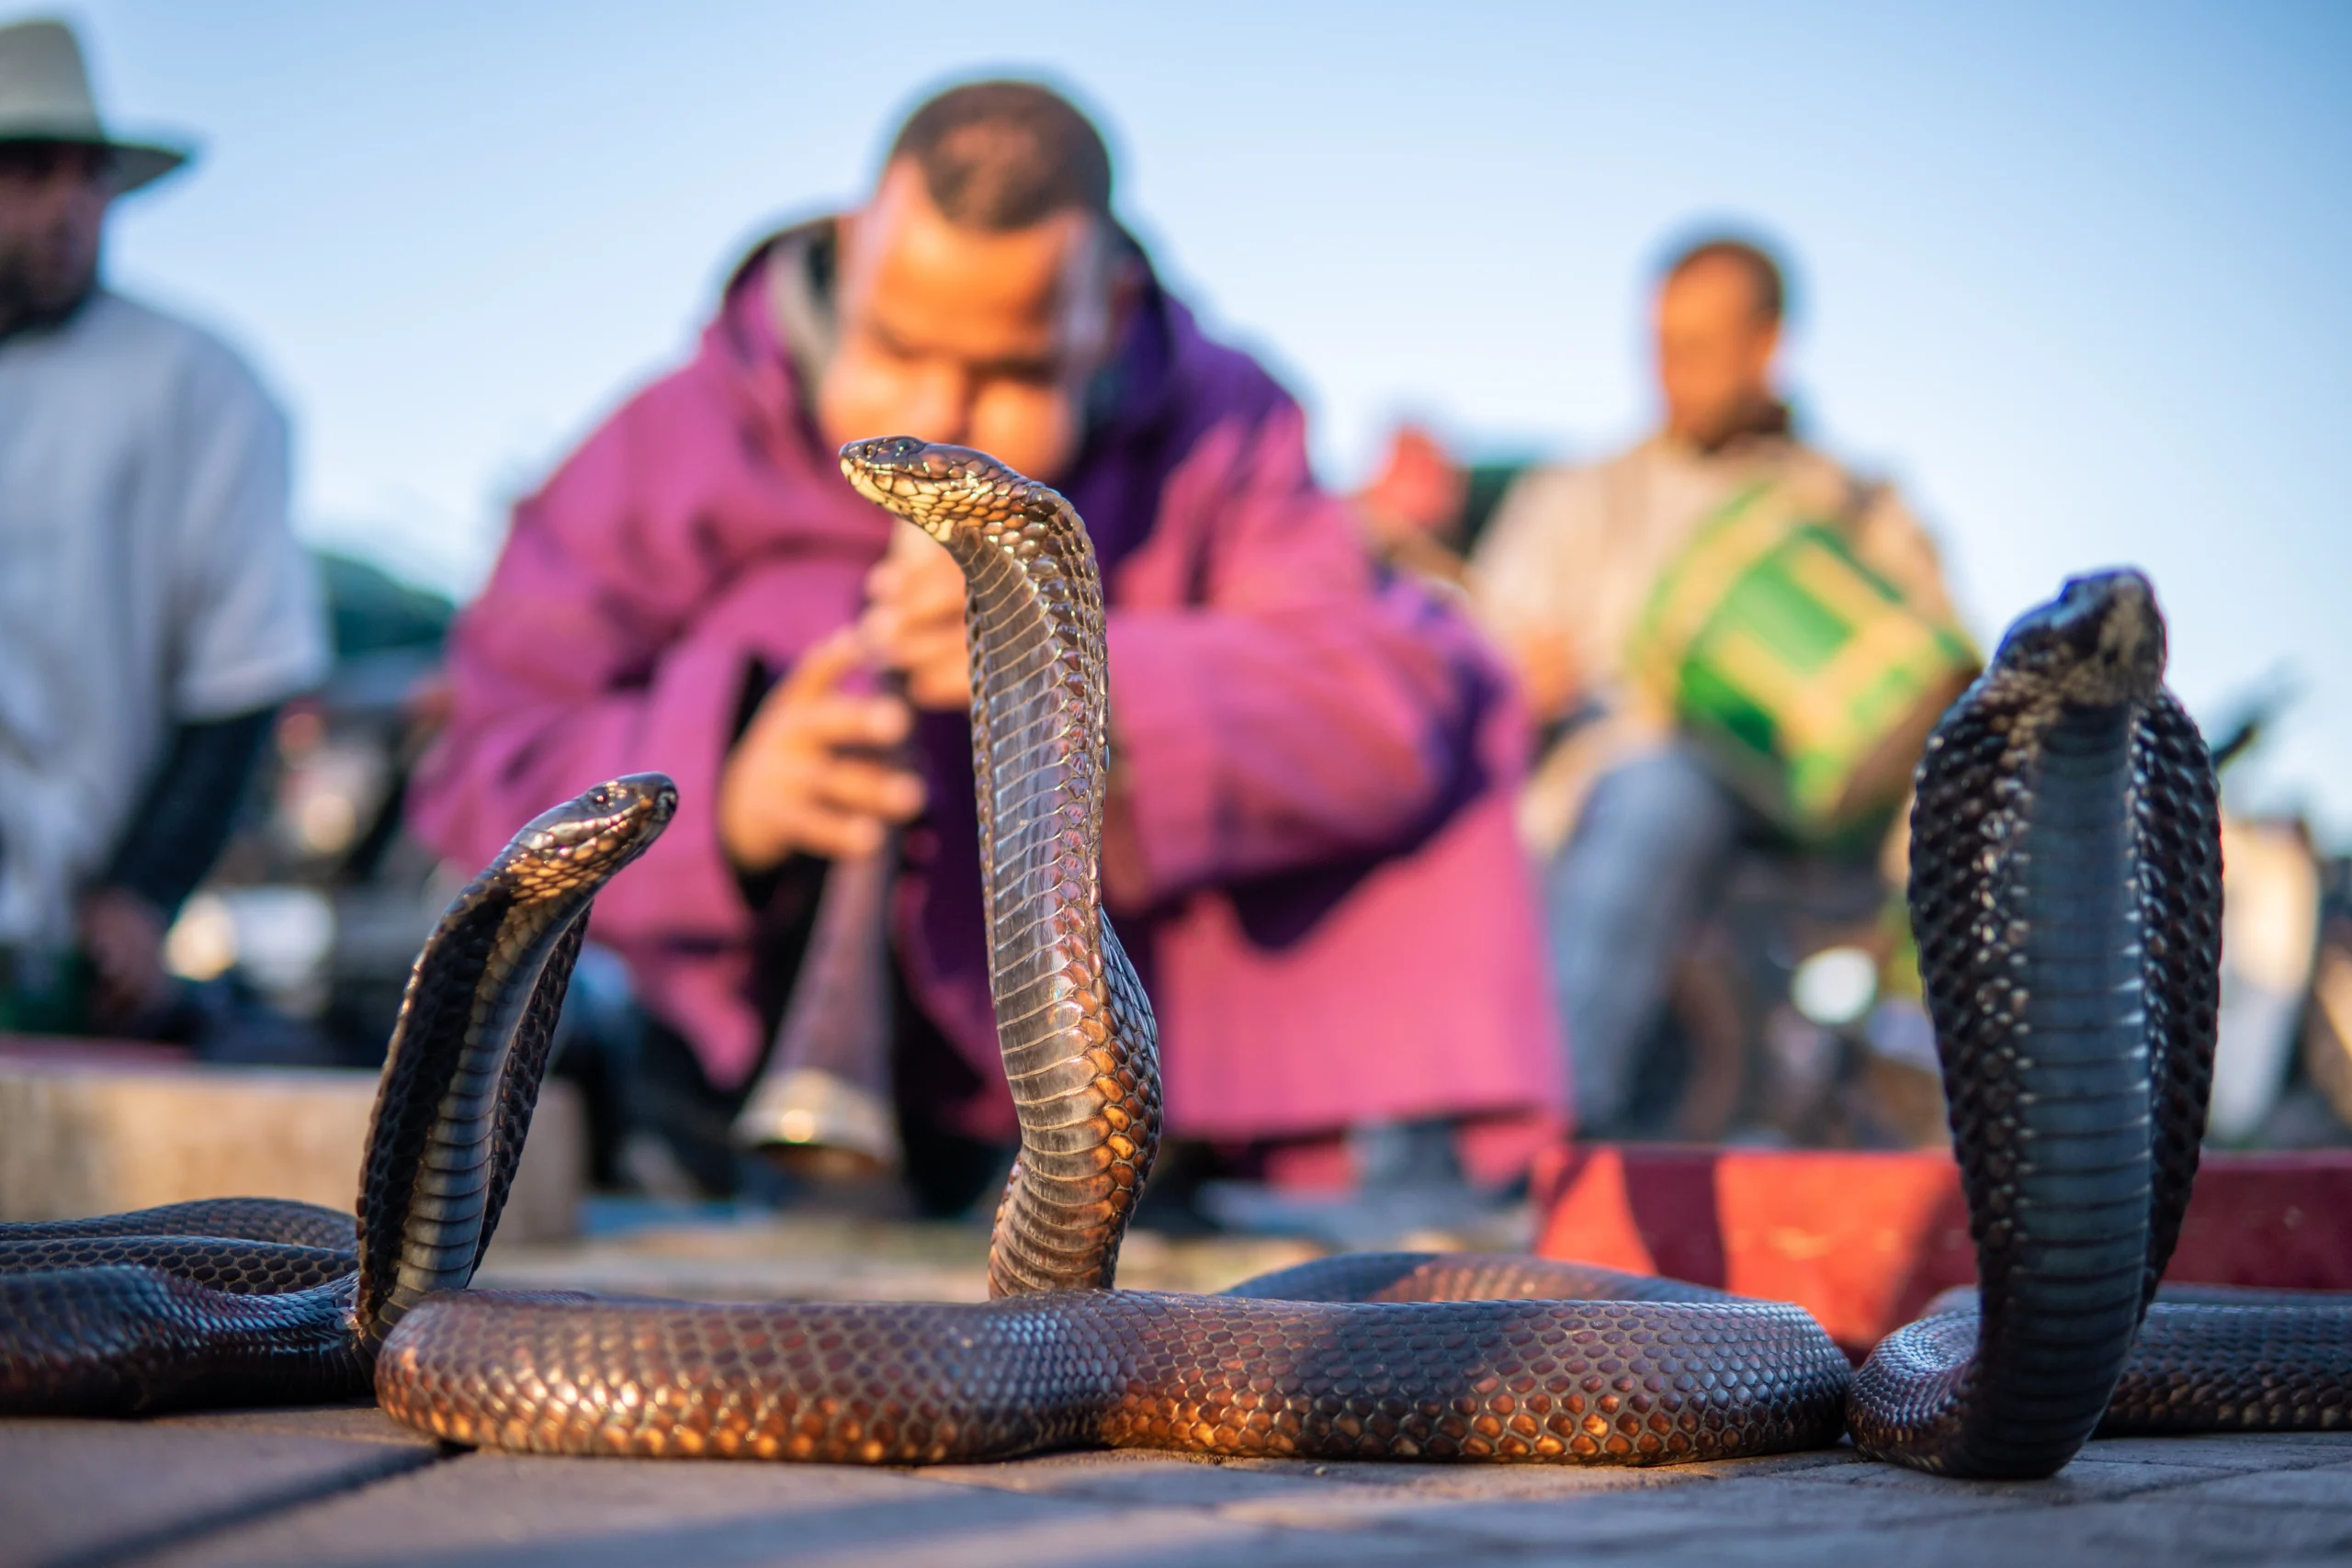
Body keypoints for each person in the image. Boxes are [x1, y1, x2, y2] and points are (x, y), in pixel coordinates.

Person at [411, 81, 1562, 1207]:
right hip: (730, 1074)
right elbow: (485, 756)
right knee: (779, 625)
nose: (942, 412)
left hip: (1114, 1094)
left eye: (1013, 373)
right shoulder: (664, 439)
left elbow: (1376, 702)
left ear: (1105, 314)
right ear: (857, 251)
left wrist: (1068, 676)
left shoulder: (1228, 422)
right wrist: (731, 794)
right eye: (897, 347)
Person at [1470, 235, 1957, 1134]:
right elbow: (1475, 661)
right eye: (1660, 347)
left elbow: (1926, 678)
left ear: (1767, 346)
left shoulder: (1854, 505)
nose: (1671, 374)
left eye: (1698, 349)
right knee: (1656, 785)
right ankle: (1536, 1134)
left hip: (1805, 821)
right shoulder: (1582, 496)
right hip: (1596, 798)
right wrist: (1511, 680)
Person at [0, 19, 327, 1036]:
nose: (68, 207)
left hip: (58, 954)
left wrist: (142, 896)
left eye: (88, 175)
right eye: (31, 171)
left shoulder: (199, 386)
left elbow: (243, 671)